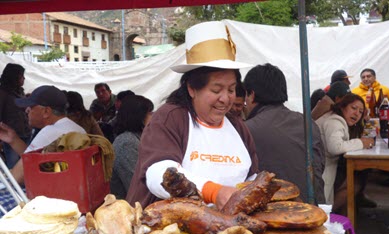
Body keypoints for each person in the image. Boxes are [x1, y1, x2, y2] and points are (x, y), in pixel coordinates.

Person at [126, 21, 256, 209]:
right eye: (216, 89)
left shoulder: (237, 126)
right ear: (192, 88)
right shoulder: (170, 118)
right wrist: (214, 192)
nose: (225, 98)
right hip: (170, 229)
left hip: (228, 228)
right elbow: (159, 173)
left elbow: (251, 178)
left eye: (231, 89)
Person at [244, 63, 326, 204]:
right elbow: (320, 165)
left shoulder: (247, 130)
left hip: (276, 214)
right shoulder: (308, 123)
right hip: (315, 208)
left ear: (251, 95)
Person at [0, 85, 85, 184]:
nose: (27, 110)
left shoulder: (50, 132)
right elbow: (32, 159)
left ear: (46, 111)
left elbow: (16, 178)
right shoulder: (77, 128)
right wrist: (13, 139)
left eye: (31, 107)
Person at [316, 93, 374, 214]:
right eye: (353, 108)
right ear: (342, 107)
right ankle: (326, 215)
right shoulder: (335, 121)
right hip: (321, 169)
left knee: (357, 177)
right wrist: (361, 143)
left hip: (323, 166)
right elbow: (335, 147)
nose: (357, 113)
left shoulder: (336, 118)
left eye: (360, 111)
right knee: (356, 181)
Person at [110, 95, 154, 199]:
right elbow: (136, 186)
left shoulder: (137, 138)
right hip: (129, 208)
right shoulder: (126, 143)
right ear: (139, 116)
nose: (153, 117)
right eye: (150, 113)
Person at [0, 63, 31, 168]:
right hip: (10, 135)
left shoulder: (19, 91)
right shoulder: (2, 93)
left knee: (26, 163)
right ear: (14, 77)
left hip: (26, 133)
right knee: (14, 165)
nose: (24, 78)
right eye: (22, 76)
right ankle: (15, 184)